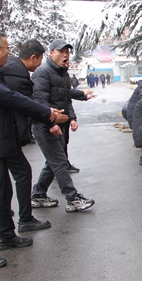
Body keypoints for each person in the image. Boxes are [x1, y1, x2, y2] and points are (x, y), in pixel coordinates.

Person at [0, 30, 66, 269]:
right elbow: (11, 98)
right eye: (7, 48)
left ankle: (7, 236)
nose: (9, 53)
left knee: (2, 193)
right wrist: (48, 114)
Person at [31, 39, 95, 212]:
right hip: (46, 125)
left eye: (67, 52)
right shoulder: (42, 73)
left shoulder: (63, 74)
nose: (65, 55)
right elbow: (40, 102)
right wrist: (50, 123)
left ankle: (38, 195)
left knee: (53, 162)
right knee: (59, 161)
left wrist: (72, 118)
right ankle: (72, 198)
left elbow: (66, 99)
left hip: (61, 124)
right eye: (61, 51)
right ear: (51, 53)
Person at [0, 39, 53, 232]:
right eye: (40, 59)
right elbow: (28, 106)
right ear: (33, 57)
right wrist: (51, 119)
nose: (39, 64)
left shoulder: (8, 71)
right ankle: (25, 219)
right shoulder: (18, 79)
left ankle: (4, 214)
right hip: (7, 135)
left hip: (0, 134)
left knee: (2, 179)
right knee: (22, 173)